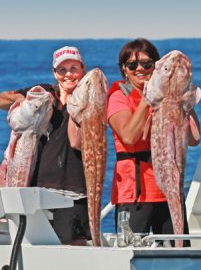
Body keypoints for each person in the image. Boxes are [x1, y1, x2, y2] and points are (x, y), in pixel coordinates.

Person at [107, 38, 200, 246]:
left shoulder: (170, 98)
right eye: (132, 65)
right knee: (132, 254)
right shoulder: (118, 97)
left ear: (155, 67)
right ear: (124, 69)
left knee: (177, 254)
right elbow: (129, 136)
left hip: (169, 193)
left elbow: (194, 139)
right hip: (135, 196)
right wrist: (148, 99)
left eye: (147, 64)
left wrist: (184, 99)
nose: (140, 69)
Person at [0, 46, 91, 245]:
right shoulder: (44, 93)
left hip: (74, 191)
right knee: (36, 249)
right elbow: (2, 99)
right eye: (62, 70)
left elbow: (80, 142)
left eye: (74, 68)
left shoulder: (90, 99)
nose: (69, 74)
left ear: (83, 69)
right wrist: (21, 100)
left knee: (74, 246)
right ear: (54, 73)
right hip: (36, 191)